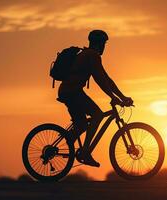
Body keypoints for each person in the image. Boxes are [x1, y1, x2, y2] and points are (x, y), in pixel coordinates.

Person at [57, 30, 133, 167]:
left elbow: (107, 80)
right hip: (73, 92)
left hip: (68, 91)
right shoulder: (92, 56)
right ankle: (85, 152)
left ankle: (69, 141)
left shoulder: (88, 55)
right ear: (99, 43)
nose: (104, 47)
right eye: (104, 43)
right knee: (97, 115)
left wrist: (122, 97)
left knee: (82, 125)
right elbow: (100, 81)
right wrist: (113, 97)